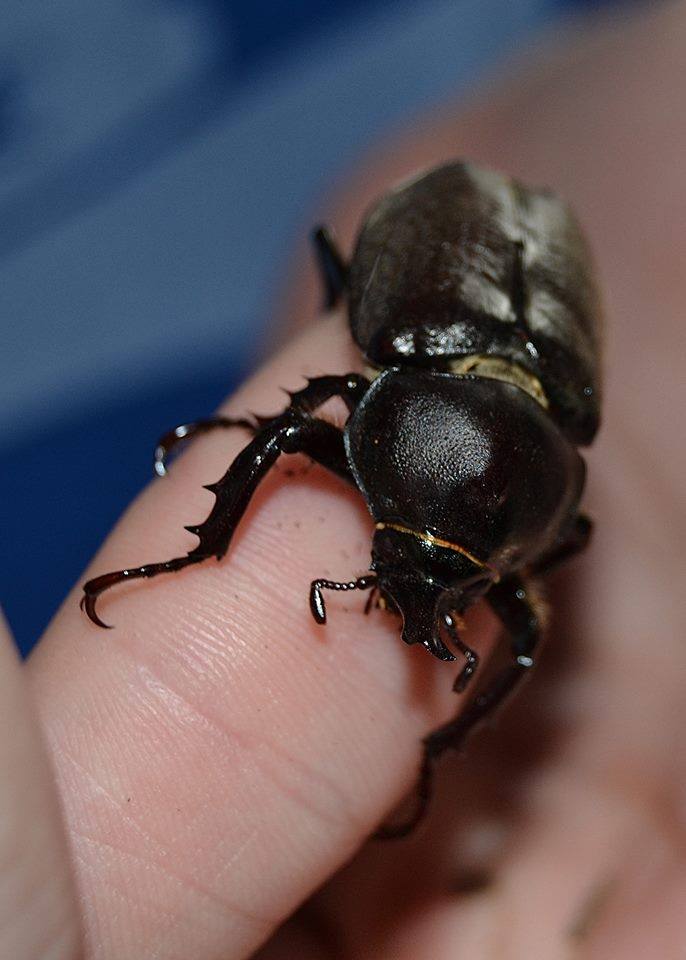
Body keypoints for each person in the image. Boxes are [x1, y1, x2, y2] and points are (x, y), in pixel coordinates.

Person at [2, 4, 685, 957]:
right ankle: (204, 551)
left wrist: (441, 737)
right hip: (453, 241)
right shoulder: (461, 400)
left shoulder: (550, 489)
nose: (415, 599)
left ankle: (435, 742)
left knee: (517, 636)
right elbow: (318, 405)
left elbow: (556, 533)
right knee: (308, 413)